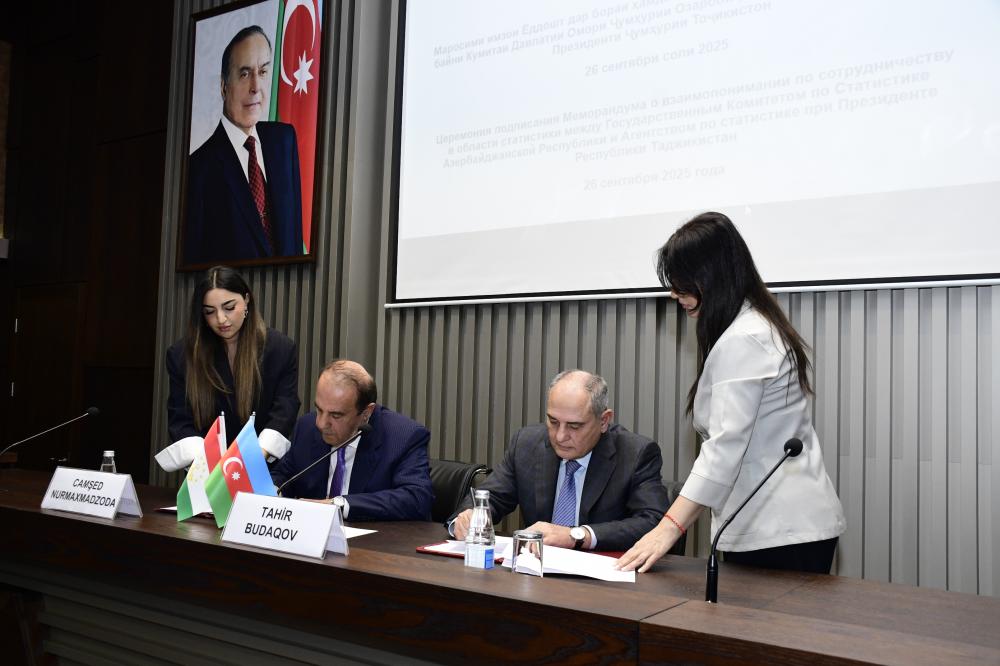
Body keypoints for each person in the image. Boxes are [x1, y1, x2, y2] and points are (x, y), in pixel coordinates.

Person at [616, 212, 846, 573]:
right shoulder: (749, 328)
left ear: (711, 277)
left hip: (779, 530)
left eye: (682, 283)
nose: (675, 294)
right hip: (775, 526)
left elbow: (724, 448)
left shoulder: (745, 338)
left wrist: (667, 529)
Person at [449, 370, 668, 552]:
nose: (560, 436)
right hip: (534, 572)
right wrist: (470, 517)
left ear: (604, 421)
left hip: (601, 580)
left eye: (574, 426)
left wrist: (577, 535)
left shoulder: (635, 454)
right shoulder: (527, 444)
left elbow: (653, 523)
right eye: (553, 422)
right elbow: (493, 497)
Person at [156, 266, 300, 472]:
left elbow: (285, 410)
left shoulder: (280, 349)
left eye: (229, 307)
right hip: (207, 471)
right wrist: (212, 465)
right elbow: (181, 420)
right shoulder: (181, 355)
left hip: (265, 468)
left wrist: (257, 455)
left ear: (247, 300)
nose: (221, 319)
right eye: (210, 312)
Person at [184, 25, 303, 265]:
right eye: (245, 74)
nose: (256, 87)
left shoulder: (284, 140)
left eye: (263, 71)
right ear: (223, 87)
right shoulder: (198, 168)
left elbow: (295, 234)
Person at [270, 360, 434, 521]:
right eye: (319, 409)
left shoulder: (403, 437)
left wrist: (338, 506)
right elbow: (283, 475)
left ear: (366, 413)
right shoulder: (306, 427)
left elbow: (417, 498)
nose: (321, 423)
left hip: (375, 537)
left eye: (336, 415)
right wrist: (273, 492)